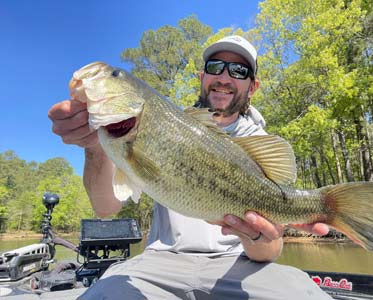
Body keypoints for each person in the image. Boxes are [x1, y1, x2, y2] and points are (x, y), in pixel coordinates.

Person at [49, 35, 332, 299]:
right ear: (202, 76)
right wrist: (94, 146)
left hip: (242, 265)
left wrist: (256, 236)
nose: (224, 77)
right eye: (215, 66)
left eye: (239, 70)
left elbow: (268, 252)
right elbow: (105, 208)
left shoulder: (261, 145)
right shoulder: (160, 124)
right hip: (158, 264)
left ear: (253, 86)